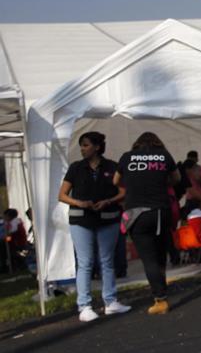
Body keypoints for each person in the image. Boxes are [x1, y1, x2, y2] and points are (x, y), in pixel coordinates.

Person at [58, 131, 131, 322]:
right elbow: (62, 195)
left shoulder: (112, 166)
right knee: (86, 262)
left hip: (108, 218)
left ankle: (111, 301)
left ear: (97, 147)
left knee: (107, 261)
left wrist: (108, 201)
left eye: (86, 145)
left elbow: (123, 191)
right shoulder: (75, 168)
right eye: (82, 145)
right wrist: (79, 203)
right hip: (81, 220)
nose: (82, 149)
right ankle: (84, 305)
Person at [114, 132, 180, 315]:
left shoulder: (127, 158)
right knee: (159, 255)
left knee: (148, 258)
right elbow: (177, 179)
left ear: (137, 144)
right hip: (161, 211)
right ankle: (162, 288)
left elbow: (115, 180)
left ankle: (160, 300)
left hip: (137, 214)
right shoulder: (164, 156)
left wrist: (133, 183)